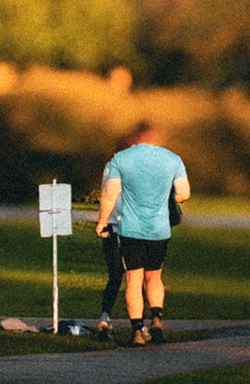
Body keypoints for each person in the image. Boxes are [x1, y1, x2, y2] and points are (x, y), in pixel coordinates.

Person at [94, 122, 190, 346]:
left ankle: (137, 330)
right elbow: (184, 194)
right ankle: (157, 318)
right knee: (154, 276)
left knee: (133, 280)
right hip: (159, 229)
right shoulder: (172, 160)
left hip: (130, 229)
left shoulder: (119, 161)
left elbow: (109, 193)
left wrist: (102, 221)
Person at [92, 129, 142, 341]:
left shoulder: (112, 165)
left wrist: (103, 220)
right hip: (136, 227)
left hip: (115, 226)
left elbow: (107, 195)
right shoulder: (139, 167)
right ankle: (138, 325)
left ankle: (106, 317)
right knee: (137, 277)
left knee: (116, 275)